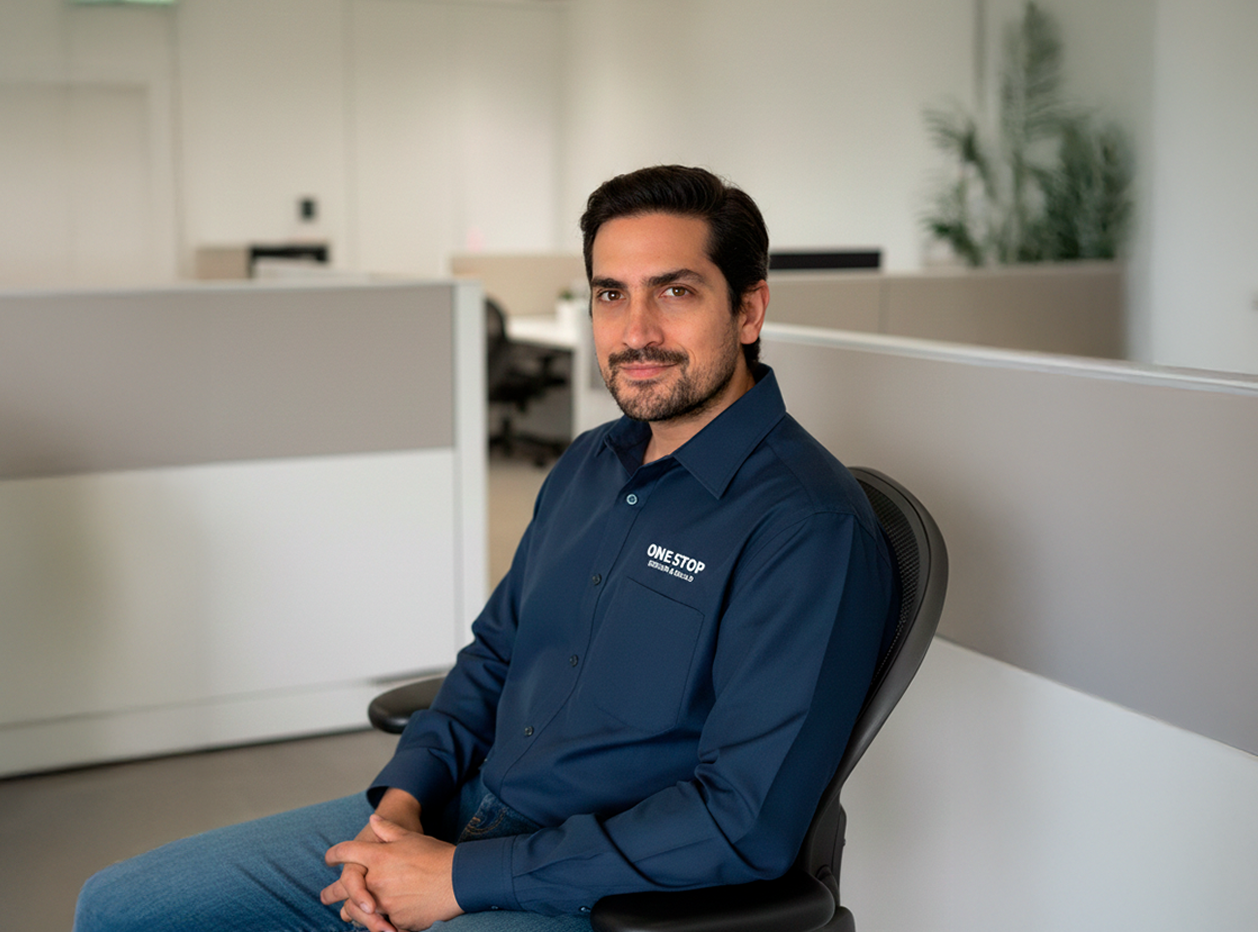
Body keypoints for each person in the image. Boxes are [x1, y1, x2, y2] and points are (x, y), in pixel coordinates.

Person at [73, 166, 896, 932]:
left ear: (747, 310)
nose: (635, 330)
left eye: (674, 291)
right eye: (611, 294)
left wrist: (458, 881)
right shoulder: (590, 464)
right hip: (458, 812)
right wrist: (402, 801)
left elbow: (740, 821)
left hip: (590, 885)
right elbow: (496, 655)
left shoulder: (806, 525)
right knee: (117, 907)